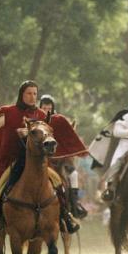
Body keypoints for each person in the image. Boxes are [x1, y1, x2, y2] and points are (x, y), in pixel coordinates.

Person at [0, 81, 47, 244]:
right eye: (29, 93)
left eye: (35, 93)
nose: (32, 97)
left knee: (58, 184)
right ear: (21, 95)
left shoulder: (41, 115)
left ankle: (65, 216)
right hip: (8, 161)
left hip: (35, 162)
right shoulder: (9, 112)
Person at [38, 94, 90, 222]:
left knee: (73, 175)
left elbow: (67, 141)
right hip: (40, 160)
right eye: (44, 107)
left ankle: (74, 204)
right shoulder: (35, 121)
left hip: (59, 161)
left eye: (49, 108)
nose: (46, 110)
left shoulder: (60, 122)